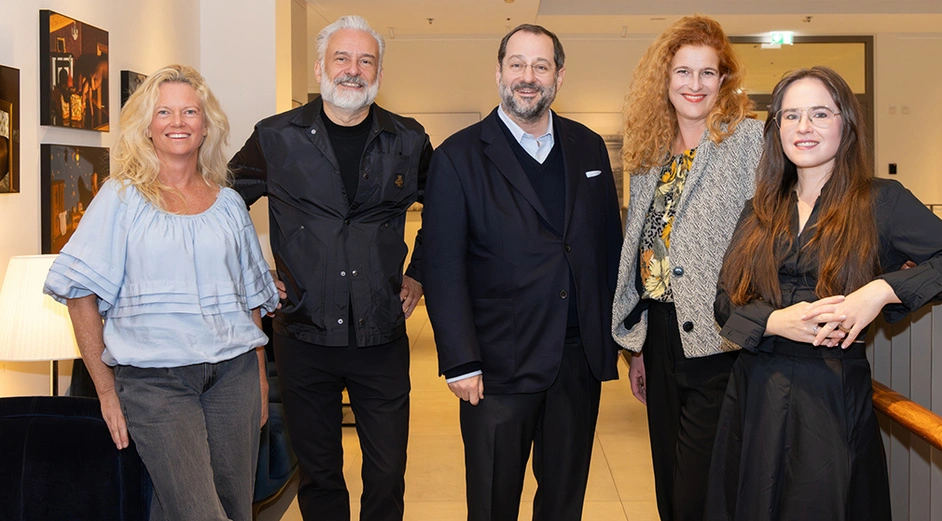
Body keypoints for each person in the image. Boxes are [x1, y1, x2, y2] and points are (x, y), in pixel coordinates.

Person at [708, 66, 942, 521]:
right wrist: (775, 321)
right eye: (791, 115)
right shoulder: (758, 209)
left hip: (832, 393)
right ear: (776, 129)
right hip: (755, 390)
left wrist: (880, 291)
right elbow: (725, 301)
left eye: (820, 113)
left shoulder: (882, 200)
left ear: (846, 123)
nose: (804, 127)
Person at [43, 64, 278, 521]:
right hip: (156, 384)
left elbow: (250, 299)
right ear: (147, 126)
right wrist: (107, 392)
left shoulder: (228, 203)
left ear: (206, 125)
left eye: (190, 111)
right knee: (199, 513)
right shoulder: (120, 198)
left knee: (231, 509)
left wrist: (262, 380)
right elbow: (79, 295)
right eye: (165, 111)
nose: (178, 122)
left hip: (235, 379)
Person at [228, 15, 431, 521]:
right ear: (320, 67)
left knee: (386, 473)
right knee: (319, 475)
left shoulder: (408, 139)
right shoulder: (275, 137)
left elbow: (449, 213)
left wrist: (420, 271)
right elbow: (223, 206)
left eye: (366, 60)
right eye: (342, 58)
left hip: (380, 336)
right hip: (302, 334)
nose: (353, 70)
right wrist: (255, 275)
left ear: (379, 72)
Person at [422, 24, 623, 521]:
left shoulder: (588, 147)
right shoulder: (458, 156)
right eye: (517, 64)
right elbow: (443, 268)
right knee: (493, 503)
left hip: (576, 361)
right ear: (499, 72)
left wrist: (619, 337)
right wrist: (460, 361)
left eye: (540, 66)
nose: (528, 77)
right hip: (496, 367)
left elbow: (607, 247)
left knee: (563, 502)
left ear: (558, 75)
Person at [609, 15, 763, 521]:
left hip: (720, 340)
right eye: (683, 72)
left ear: (724, 80)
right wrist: (638, 350)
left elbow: (785, 221)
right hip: (660, 338)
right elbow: (646, 255)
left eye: (707, 73)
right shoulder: (651, 153)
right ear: (665, 79)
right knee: (669, 486)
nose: (694, 85)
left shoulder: (748, 142)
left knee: (700, 491)